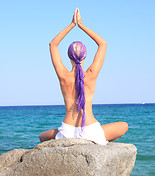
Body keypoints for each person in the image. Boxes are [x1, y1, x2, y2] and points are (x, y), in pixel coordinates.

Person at [39, 8, 128, 145]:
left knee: (42, 136)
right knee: (124, 126)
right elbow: (103, 44)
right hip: (91, 130)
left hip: (67, 132)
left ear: (69, 57)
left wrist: (71, 24)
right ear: (85, 56)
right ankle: (99, 141)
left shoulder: (63, 75)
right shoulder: (91, 74)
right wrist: (81, 25)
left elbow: (53, 45)